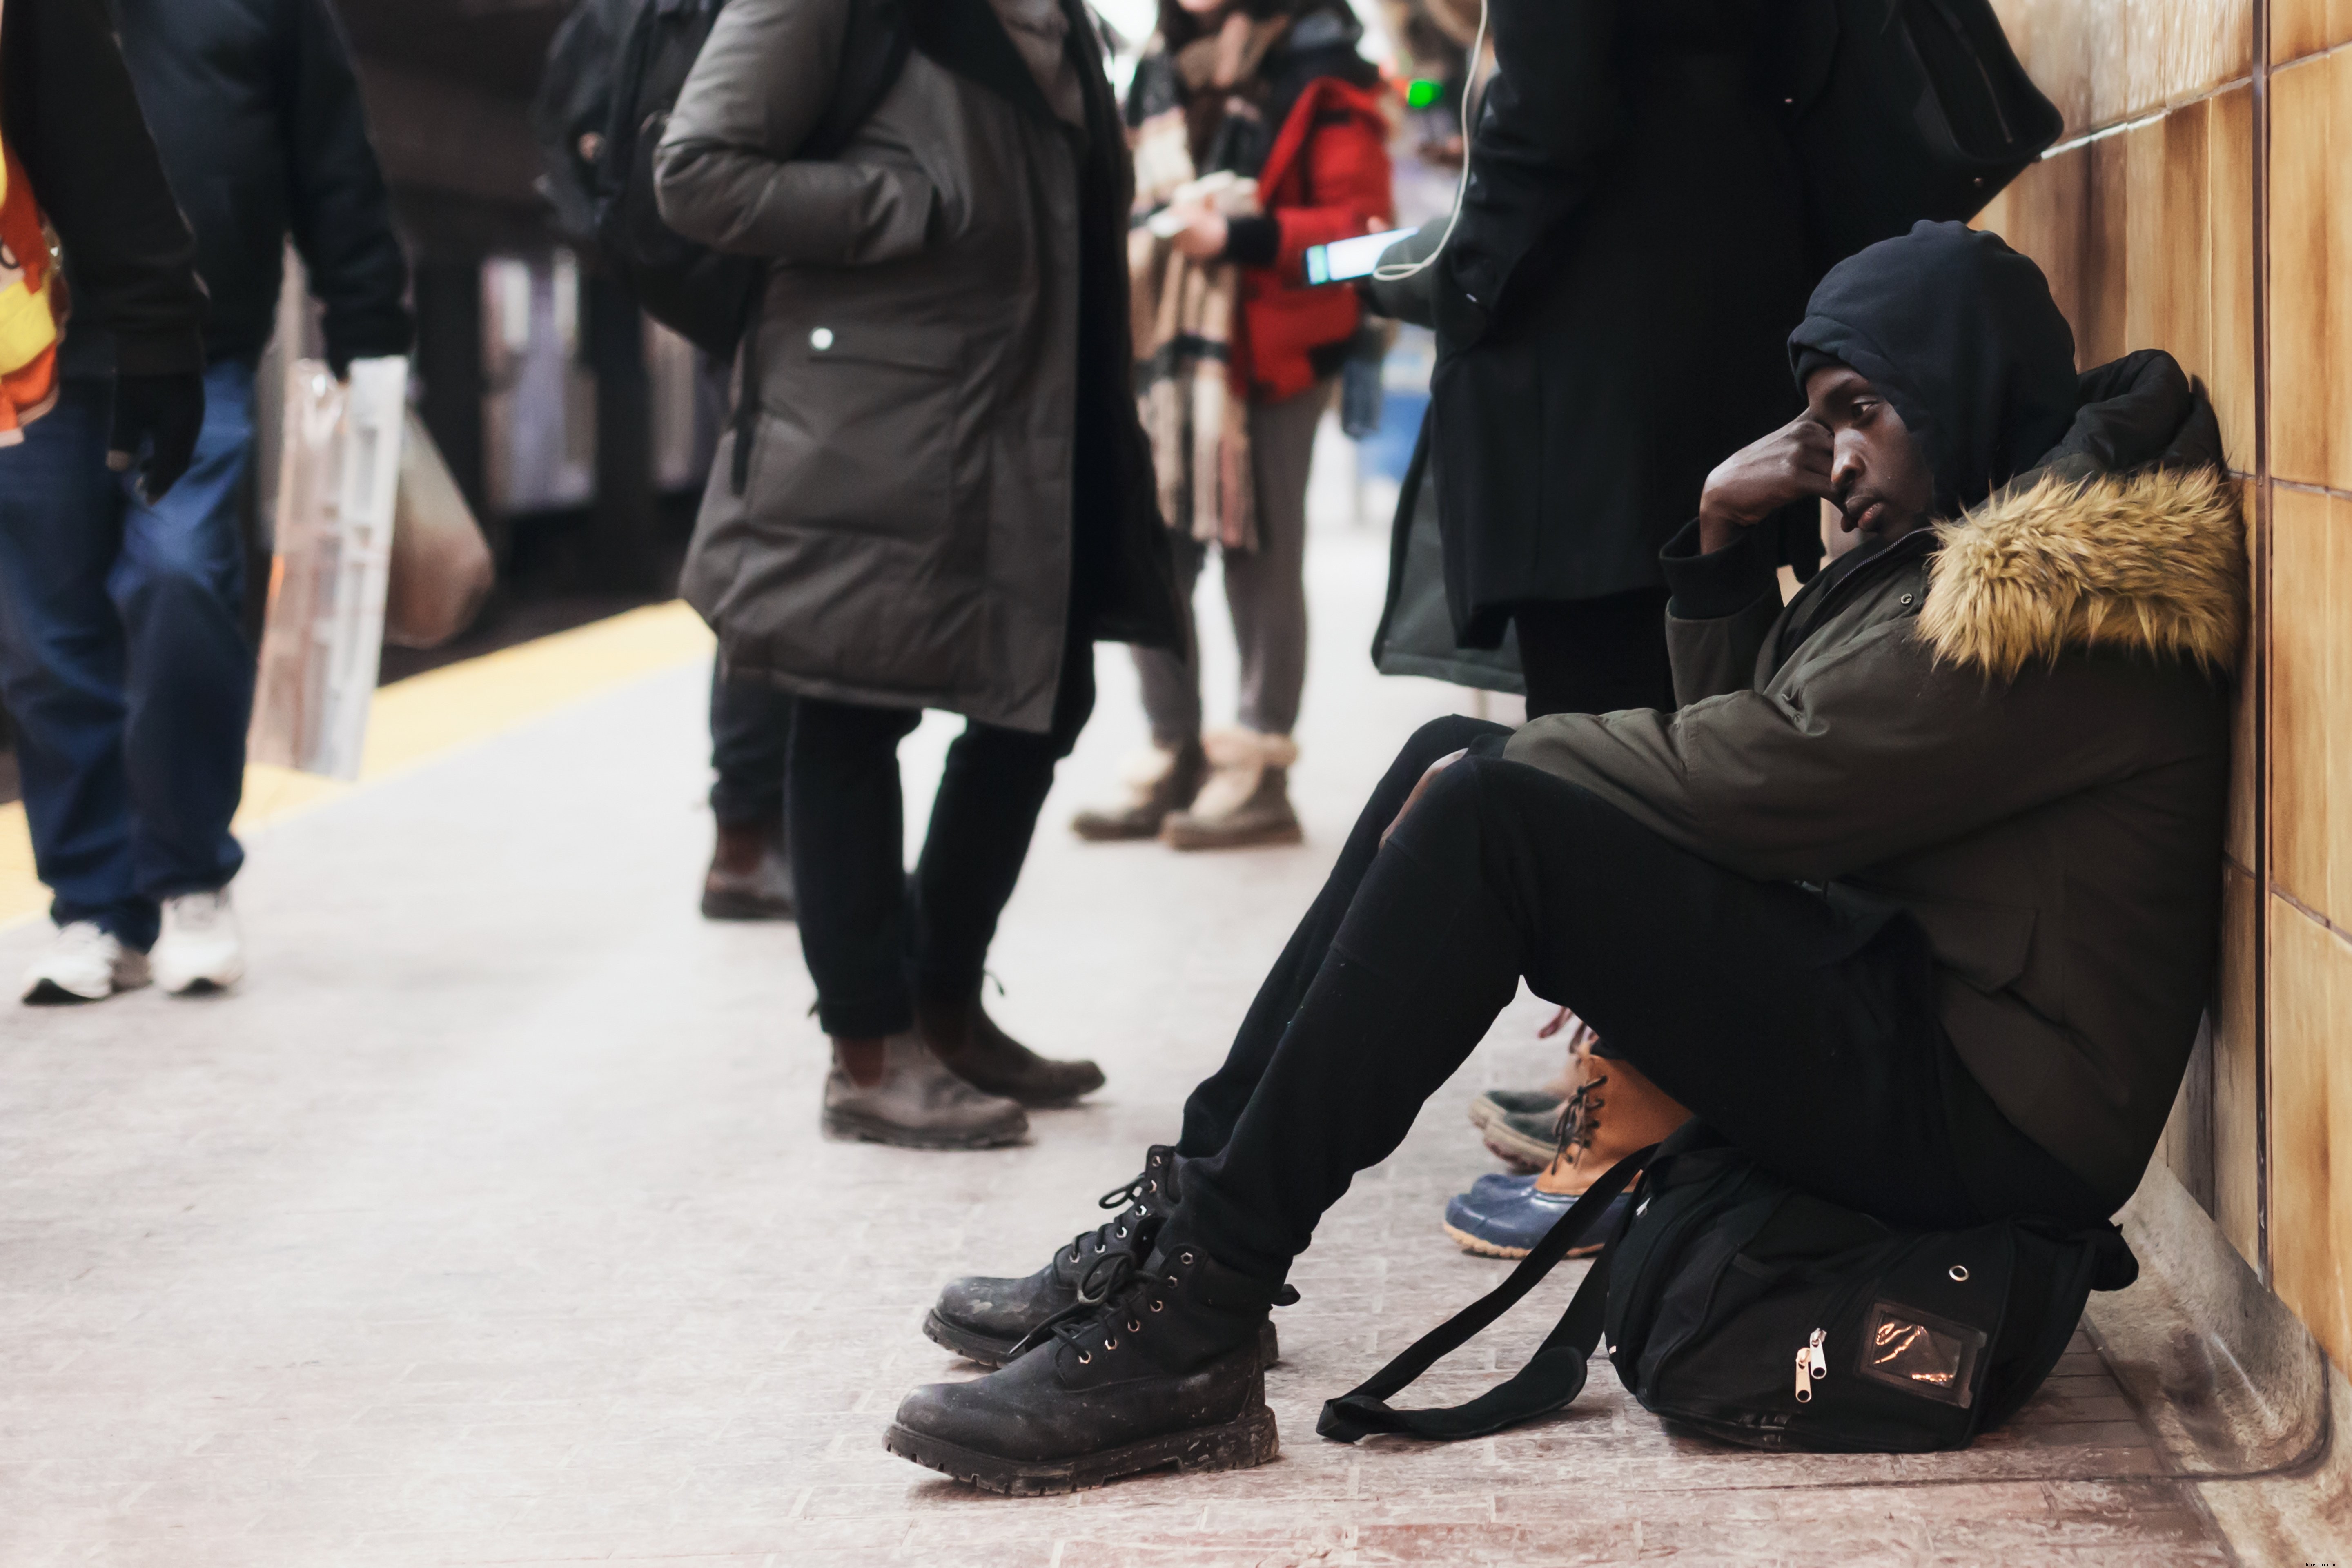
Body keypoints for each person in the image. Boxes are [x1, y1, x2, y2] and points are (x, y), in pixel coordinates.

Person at [886, 223, 2243, 1492]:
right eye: (1816, 416)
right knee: (1449, 763)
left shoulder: (2050, 605)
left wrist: (1520, 787)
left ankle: (1195, 1316)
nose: (1831, 458)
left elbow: (1763, 779)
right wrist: (1719, 546)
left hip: (1996, 1120)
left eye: (1862, 414)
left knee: (1485, 807)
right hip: (1920, 1020)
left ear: (1964, 393)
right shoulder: (1978, 549)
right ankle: (1180, 1240)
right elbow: (1782, 745)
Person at [656, 0, 1184, 1146]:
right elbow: (696, 171)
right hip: (878, 413)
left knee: (1043, 701)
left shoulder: (1064, 23)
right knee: (854, 705)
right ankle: (868, 1049)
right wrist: (906, 202)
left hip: (1026, 410)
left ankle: (945, 1005)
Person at [2, 0, 409, 1004]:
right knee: (44, 635)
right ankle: (95, 904)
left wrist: (368, 323)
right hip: (27, 346)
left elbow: (331, 156)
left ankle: (187, 877)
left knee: (182, 578)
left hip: (200, 345)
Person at [1068, 0, 1390, 850]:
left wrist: (1242, 234)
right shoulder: (1155, 73)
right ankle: (1173, 748)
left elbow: (1366, 238)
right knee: (1153, 554)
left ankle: (1257, 769)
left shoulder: (1325, 72)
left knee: (1261, 561)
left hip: (1272, 362)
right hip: (1163, 366)